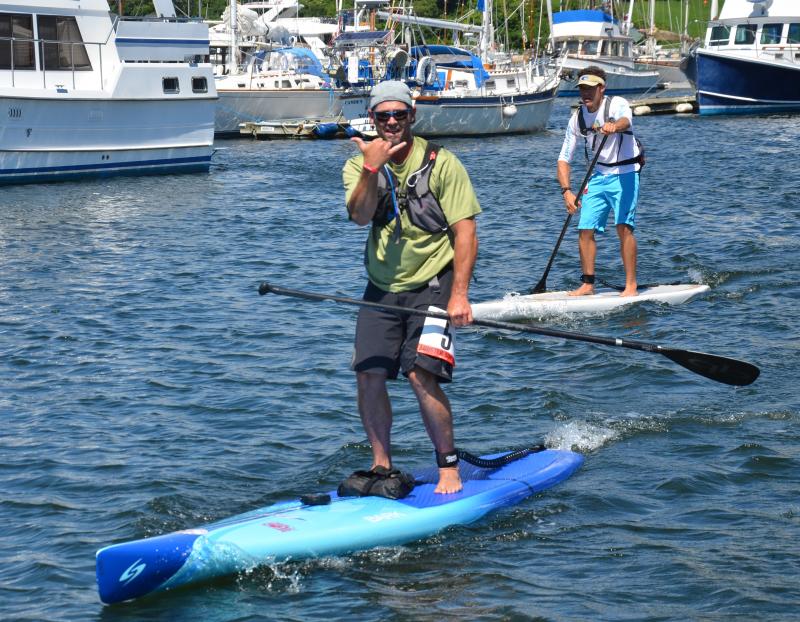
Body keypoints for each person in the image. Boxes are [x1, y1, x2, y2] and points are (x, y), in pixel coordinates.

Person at [342, 81, 481, 495]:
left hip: (434, 284)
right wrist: (371, 166)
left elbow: (466, 232)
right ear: (372, 119)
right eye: (382, 116)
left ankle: (448, 466)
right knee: (368, 374)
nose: (390, 123)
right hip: (382, 286)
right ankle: (381, 466)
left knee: (421, 375)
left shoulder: (443, 163)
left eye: (398, 115)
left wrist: (459, 294)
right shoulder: (358, 164)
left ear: (412, 116)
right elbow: (360, 217)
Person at [557, 66, 643, 297]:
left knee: (623, 227)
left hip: (626, 172)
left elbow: (626, 120)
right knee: (584, 229)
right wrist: (566, 191)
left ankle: (631, 286)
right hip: (598, 176)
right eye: (582, 89)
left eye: (590, 89)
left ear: (601, 88)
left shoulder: (616, 104)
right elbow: (564, 159)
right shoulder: (577, 119)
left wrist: (614, 126)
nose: (585, 94)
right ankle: (587, 284)